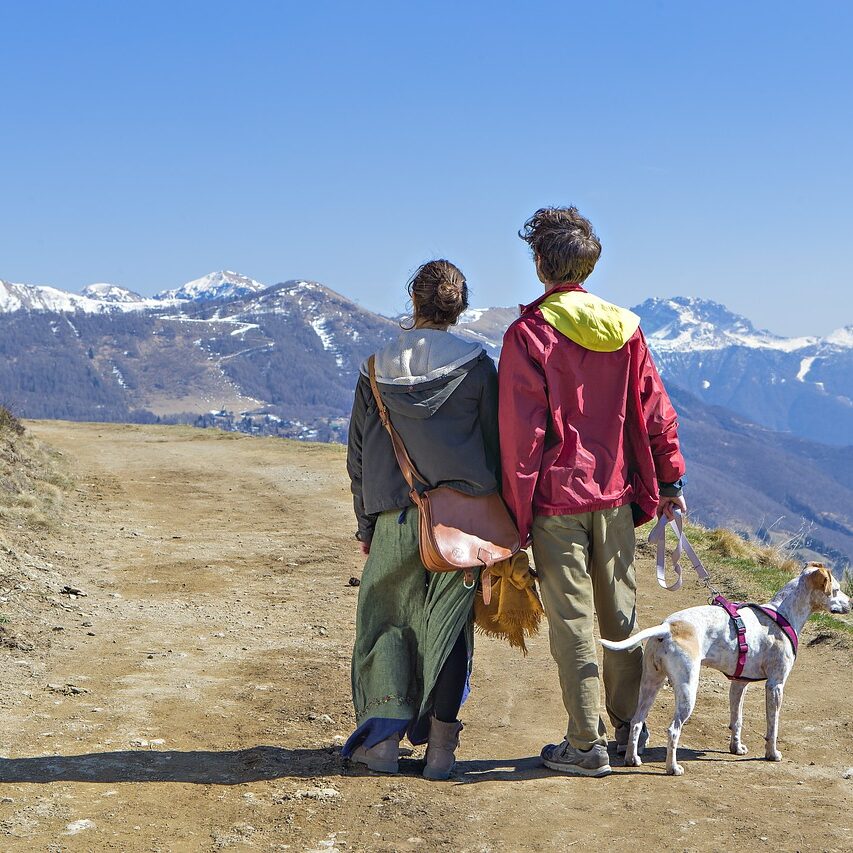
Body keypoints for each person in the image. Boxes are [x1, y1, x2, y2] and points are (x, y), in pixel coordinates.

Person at [498, 206, 686, 777]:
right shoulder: (625, 329)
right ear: (590, 262)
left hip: (558, 501)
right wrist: (671, 479)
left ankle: (585, 745)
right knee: (621, 617)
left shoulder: (529, 334)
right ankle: (630, 728)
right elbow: (656, 412)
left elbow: (521, 437)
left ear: (539, 265)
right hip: (618, 497)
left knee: (573, 623)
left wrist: (515, 516)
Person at [342, 259, 500, 780]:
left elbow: (360, 454)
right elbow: (496, 448)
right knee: (450, 631)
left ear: (414, 301)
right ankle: (440, 749)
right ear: (460, 306)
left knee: (387, 623)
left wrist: (367, 526)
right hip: (462, 524)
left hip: (394, 517)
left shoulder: (376, 367)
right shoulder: (478, 366)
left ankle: (383, 746)